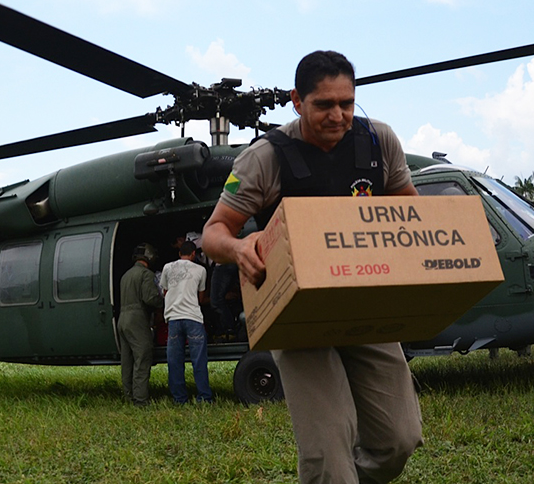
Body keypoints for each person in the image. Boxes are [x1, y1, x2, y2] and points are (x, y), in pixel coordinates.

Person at [202, 50, 423, 484]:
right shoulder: (265, 157)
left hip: (365, 304)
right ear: (296, 101)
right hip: (298, 314)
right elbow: (214, 232)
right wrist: (239, 246)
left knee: (399, 438)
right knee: (328, 449)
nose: (338, 115)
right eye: (324, 105)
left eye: (347, 103)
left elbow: (408, 209)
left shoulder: (380, 141)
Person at [159, 239, 213, 404]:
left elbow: (165, 292)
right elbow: (201, 298)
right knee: (199, 361)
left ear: (179, 254)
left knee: (175, 362)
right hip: (193, 319)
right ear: (193, 254)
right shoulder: (201, 269)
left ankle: (180, 399)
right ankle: (204, 398)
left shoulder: (167, 267)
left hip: (174, 319)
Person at [117, 242, 165, 406]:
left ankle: (129, 395)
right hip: (137, 319)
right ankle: (141, 399)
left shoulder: (126, 275)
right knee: (142, 357)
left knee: (127, 360)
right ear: (150, 257)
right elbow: (150, 298)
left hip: (122, 319)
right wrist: (164, 301)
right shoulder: (146, 274)